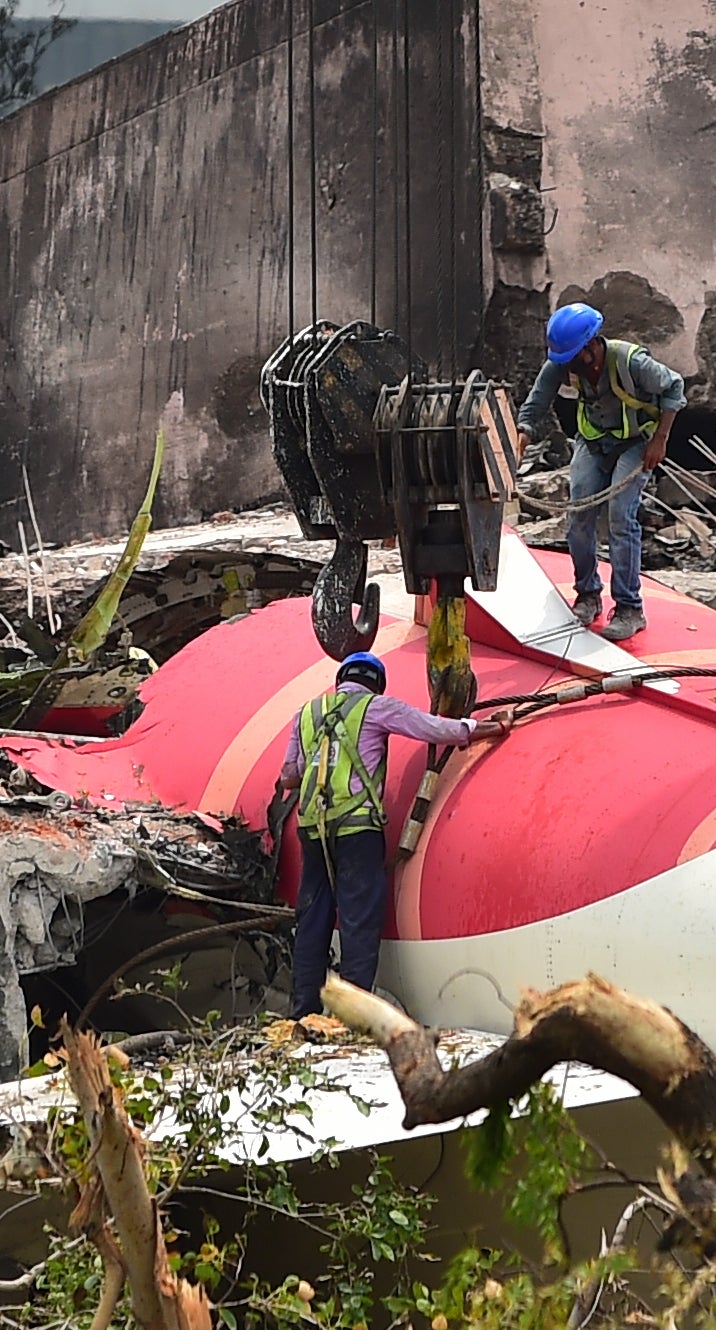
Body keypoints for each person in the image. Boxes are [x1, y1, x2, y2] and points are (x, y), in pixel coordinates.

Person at [276, 651, 508, 1018]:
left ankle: (302, 1012)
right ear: (376, 682)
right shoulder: (375, 707)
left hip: (312, 829)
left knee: (313, 919)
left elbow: (289, 775)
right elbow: (433, 728)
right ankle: (351, 1017)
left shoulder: (307, 713)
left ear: (341, 679)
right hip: (357, 829)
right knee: (358, 919)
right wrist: (486, 728)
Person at [516, 302, 686, 642]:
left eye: (574, 360)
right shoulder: (564, 362)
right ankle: (588, 595)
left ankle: (629, 608)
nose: (567, 370)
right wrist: (519, 440)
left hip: (634, 443)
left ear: (592, 347)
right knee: (578, 516)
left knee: (621, 517)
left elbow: (674, 387)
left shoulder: (631, 362)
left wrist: (660, 441)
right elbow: (535, 405)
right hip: (593, 441)